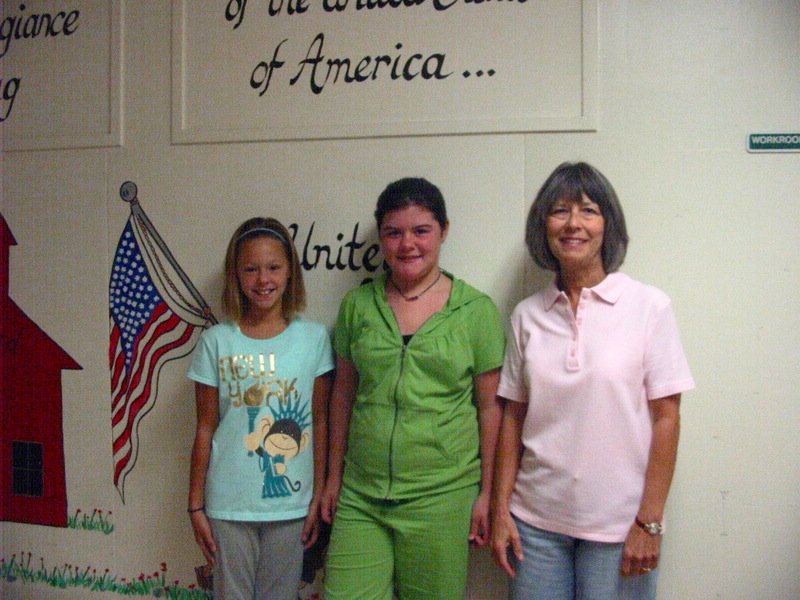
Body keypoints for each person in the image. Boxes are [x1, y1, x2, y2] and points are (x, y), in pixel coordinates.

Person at [491, 162, 695, 600]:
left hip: (620, 529)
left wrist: (650, 522)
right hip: (535, 527)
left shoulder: (648, 307)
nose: (573, 223)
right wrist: (500, 511)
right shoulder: (527, 315)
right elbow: (512, 418)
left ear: (609, 225)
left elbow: (667, 419)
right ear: (543, 225)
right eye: (559, 210)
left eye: (588, 210)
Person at [321, 177, 506, 600]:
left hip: (442, 497)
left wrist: (487, 496)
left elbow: (491, 409)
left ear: (444, 231)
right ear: (381, 237)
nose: (407, 244)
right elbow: (343, 397)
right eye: (394, 232)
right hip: (362, 496)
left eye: (421, 230)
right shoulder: (357, 306)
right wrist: (334, 479)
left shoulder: (475, 311)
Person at [187, 217, 334, 600]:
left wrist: (318, 494)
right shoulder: (216, 342)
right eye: (250, 269)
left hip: (291, 507)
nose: (263, 279)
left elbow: (319, 422)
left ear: (290, 273)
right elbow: (205, 427)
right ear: (235, 275)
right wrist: (195, 506)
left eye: (273, 267)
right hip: (229, 507)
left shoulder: (314, 339)